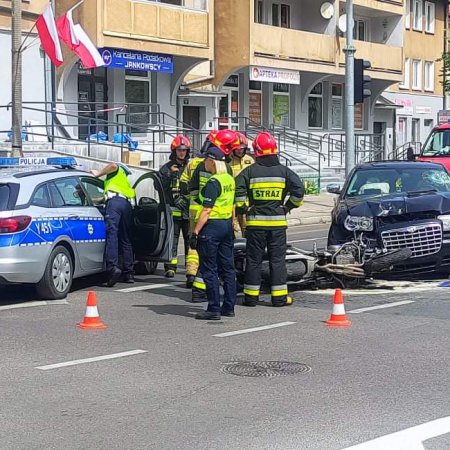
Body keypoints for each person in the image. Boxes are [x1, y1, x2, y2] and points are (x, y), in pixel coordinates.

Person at [235, 131, 305, 307]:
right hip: (277, 225)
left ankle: (251, 298)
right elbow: (299, 191)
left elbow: (238, 191)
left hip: (255, 224)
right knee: (277, 261)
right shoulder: (284, 171)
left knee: (253, 260)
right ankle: (279, 298)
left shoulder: (249, 171)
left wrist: (244, 208)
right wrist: (287, 207)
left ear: (257, 151)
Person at [188, 129, 240, 302]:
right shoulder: (228, 173)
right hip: (218, 218)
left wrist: (199, 199)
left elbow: (192, 189)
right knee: (223, 264)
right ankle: (226, 304)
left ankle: (209, 300)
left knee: (207, 261)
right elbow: (231, 199)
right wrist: (232, 220)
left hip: (205, 216)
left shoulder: (208, 170)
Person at [91, 162, 135, 287]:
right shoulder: (123, 182)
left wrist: (98, 173)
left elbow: (112, 165)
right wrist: (91, 199)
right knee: (126, 238)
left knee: (112, 234)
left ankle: (112, 268)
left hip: (115, 204)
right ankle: (129, 273)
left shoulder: (116, 170)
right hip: (126, 205)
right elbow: (107, 197)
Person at [159, 135, 191, 278]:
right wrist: (169, 175)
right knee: (173, 239)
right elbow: (158, 186)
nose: (182, 153)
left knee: (190, 241)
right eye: (179, 150)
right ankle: (170, 267)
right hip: (173, 212)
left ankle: (191, 268)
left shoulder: (191, 167)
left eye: (184, 150)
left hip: (189, 211)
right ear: (174, 151)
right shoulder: (166, 168)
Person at [229, 132, 254, 236]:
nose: (239, 151)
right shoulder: (227, 161)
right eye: (237, 148)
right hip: (231, 201)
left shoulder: (250, 160)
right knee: (231, 227)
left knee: (246, 227)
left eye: (242, 148)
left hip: (245, 201)